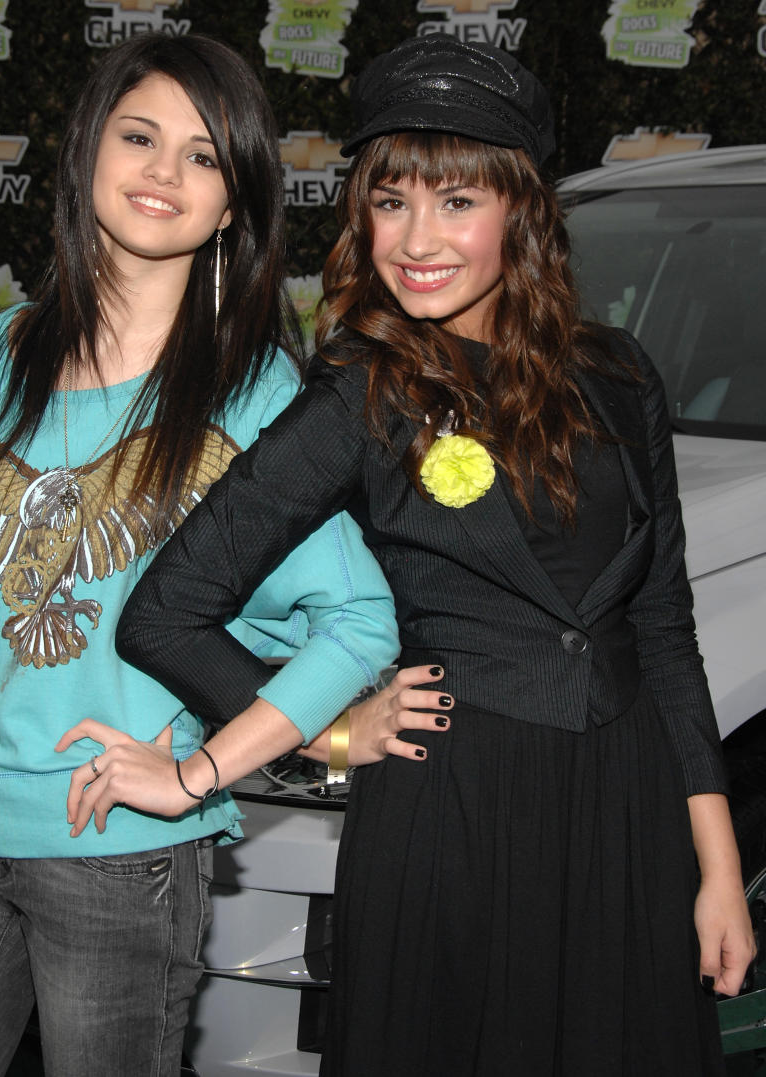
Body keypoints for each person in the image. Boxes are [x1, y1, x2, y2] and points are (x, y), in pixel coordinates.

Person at [73, 33, 756, 1077]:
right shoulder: (361, 393)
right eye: (390, 201)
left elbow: (661, 626)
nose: (415, 238)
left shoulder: (621, 375)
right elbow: (168, 609)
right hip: (455, 817)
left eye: (456, 202)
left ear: (520, 214)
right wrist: (330, 734)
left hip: (623, 819)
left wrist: (715, 869)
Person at [0, 32, 413, 1077]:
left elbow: (359, 622)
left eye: (204, 156)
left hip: (126, 862)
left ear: (235, 203)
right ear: (85, 156)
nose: (165, 172)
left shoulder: (253, 398)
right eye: (140, 136)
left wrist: (199, 771)